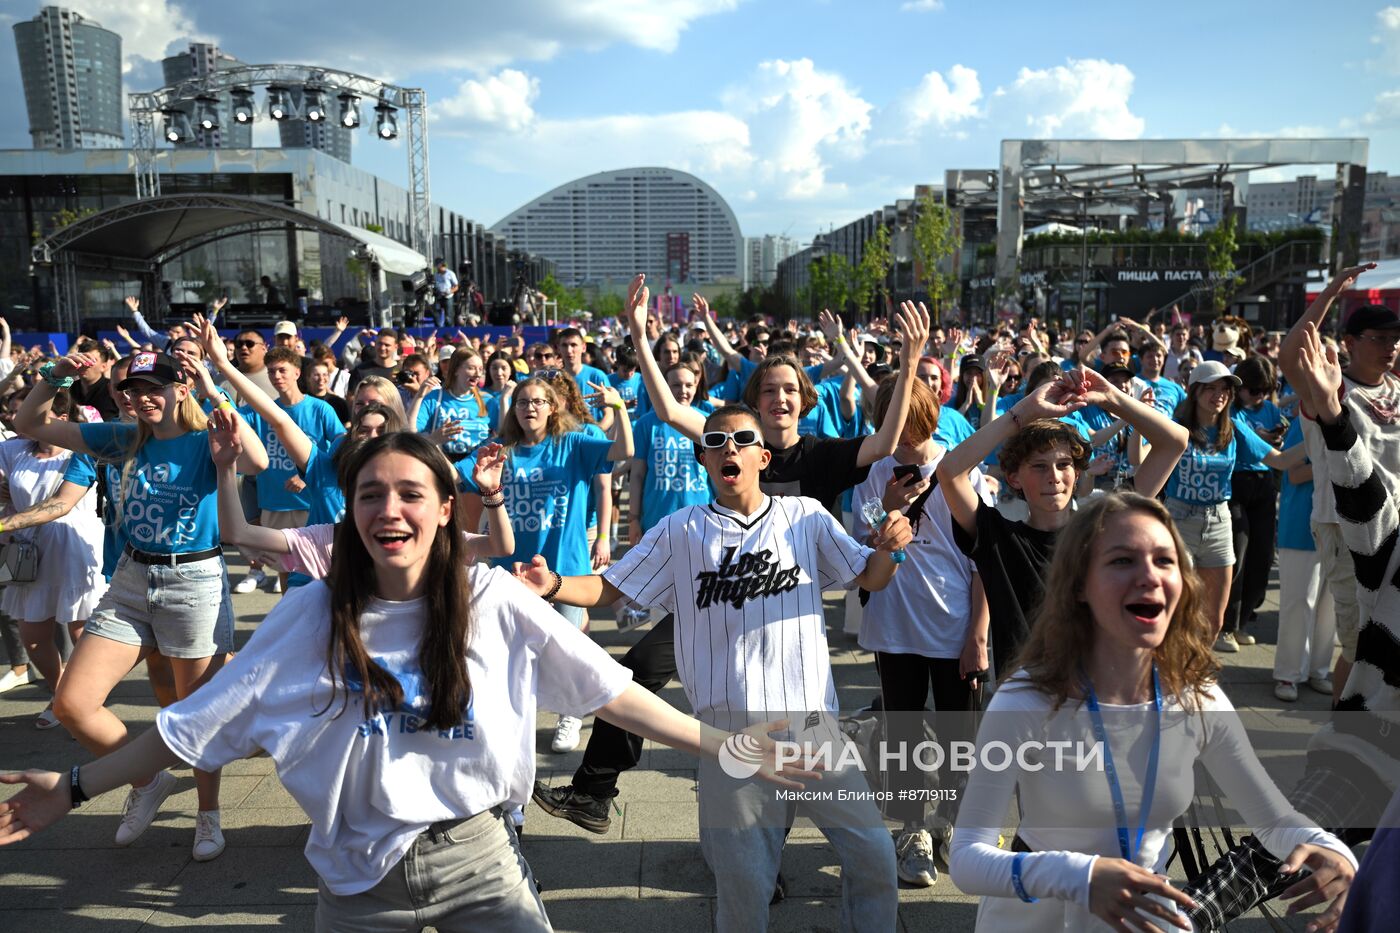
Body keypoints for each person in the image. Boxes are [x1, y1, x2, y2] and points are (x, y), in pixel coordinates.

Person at [0, 430, 814, 931]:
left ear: (445, 506)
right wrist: (71, 788)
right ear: (351, 511)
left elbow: (609, 689)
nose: (390, 509)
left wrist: (723, 744)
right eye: (370, 493)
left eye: (410, 493)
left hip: (481, 861)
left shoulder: (490, 596)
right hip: (356, 881)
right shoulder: (311, 614)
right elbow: (187, 727)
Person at [515, 403, 912, 933]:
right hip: (732, 738)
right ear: (703, 458)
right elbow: (613, 587)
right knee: (745, 890)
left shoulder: (806, 517)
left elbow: (871, 577)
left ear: (762, 456)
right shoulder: (681, 530)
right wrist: (555, 585)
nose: (729, 447)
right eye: (716, 440)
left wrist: (890, 549)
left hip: (813, 726)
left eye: (742, 439)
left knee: (874, 855)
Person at [948, 492, 1356, 932]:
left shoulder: (1198, 700)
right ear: (1078, 585)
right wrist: (1080, 876)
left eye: (1165, 560)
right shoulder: (1026, 699)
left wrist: (1330, 849)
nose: (1149, 575)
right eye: (1122, 560)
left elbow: (1274, 820)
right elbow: (968, 857)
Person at [12, 348, 268, 862]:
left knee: (191, 712)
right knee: (71, 704)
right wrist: (54, 375)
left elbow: (258, 461)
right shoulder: (122, 438)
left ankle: (208, 814)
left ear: (180, 388)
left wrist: (215, 393)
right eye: (133, 389)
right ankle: (147, 779)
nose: (143, 397)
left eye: (156, 386)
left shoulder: (204, 440)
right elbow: (26, 420)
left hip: (193, 580)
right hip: (131, 579)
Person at [938, 370, 1189, 677]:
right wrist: (1025, 411)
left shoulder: (1103, 525)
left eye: (1064, 464)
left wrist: (1113, 398)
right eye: (1039, 466)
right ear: (1014, 477)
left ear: (1077, 472)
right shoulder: (997, 537)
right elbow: (949, 471)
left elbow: (1175, 441)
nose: (1054, 476)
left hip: (1097, 688)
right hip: (1025, 696)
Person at [852, 376, 991, 888]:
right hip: (893, 623)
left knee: (961, 736)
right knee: (903, 731)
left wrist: (978, 633)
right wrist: (886, 504)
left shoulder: (961, 465)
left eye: (912, 424)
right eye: (893, 426)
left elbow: (982, 560)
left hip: (953, 625)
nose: (904, 438)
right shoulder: (873, 470)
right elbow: (861, 546)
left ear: (931, 415)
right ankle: (913, 830)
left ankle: (954, 823)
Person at [455, 374, 633, 753]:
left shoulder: (572, 443)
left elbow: (623, 451)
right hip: (514, 572)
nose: (529, 408)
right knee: (515, 652)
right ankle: (515, 718)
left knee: (568, 647)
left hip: (567, 567)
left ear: (552, 408)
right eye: (523, 402)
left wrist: (618, 410)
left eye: (538, 401)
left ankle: (571, 715)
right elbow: (452, 474)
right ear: (513, 409)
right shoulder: (500, 449)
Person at [1278, 265, 1398, 705]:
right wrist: (1331, 291)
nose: (1390, 347)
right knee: (1361, 642)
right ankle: (1341, 744)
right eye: (1379, 339)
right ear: (1349, 343)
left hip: (1393, 531)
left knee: (1384, 638)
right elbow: (1290, 357)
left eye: (1394, 340)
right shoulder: (1329, 389)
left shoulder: (1398, 389)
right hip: (1343, 527)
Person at [1163, 361, 1299, 648]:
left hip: (1219, 522)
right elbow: (1142, 460)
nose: (1219, 394)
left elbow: (1281, 460)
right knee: (1175, 608)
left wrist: (1323, 434)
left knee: (1214, 618)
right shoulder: (1176, 428)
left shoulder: (1234, 427)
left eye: (1225, 388)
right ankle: (1168, 671)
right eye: (1211, 388)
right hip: (1180, 521)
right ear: (1195, 391)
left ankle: (1196, 672)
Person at [0, 387, 107, 729]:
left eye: (30, 413)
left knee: (81, 631)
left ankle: (85, 704)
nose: (20, 420)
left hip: (72, 544)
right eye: (18, 413)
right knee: (33, 632)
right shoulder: (13, 450)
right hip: (27, 549)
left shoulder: (81, 450)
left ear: (60, 419)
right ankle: (60, 693)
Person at [432, 259, 458, 329]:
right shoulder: (436, 275)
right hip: (439, 296)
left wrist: (449, 291)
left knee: (448, 316)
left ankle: (449, 329)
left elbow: (456, 286)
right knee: (437, 314)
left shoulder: (450, 273)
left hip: (448, 297)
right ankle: (438, 328)